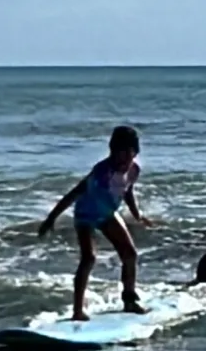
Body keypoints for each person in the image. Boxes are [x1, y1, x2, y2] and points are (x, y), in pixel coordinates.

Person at [38, 125, 150, 320]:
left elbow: (127, 191)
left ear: (135, 152)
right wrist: (51, 219)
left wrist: (137, 215)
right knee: (89, 257)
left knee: (130, 254)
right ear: (112, 151)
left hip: (108, 214)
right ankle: (77, 311)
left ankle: (129, 301)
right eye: (120, 155)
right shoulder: (101, 172)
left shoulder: (134, 170)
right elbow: (74, 193)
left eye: (130, 155)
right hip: (86, 215)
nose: (124, 161)